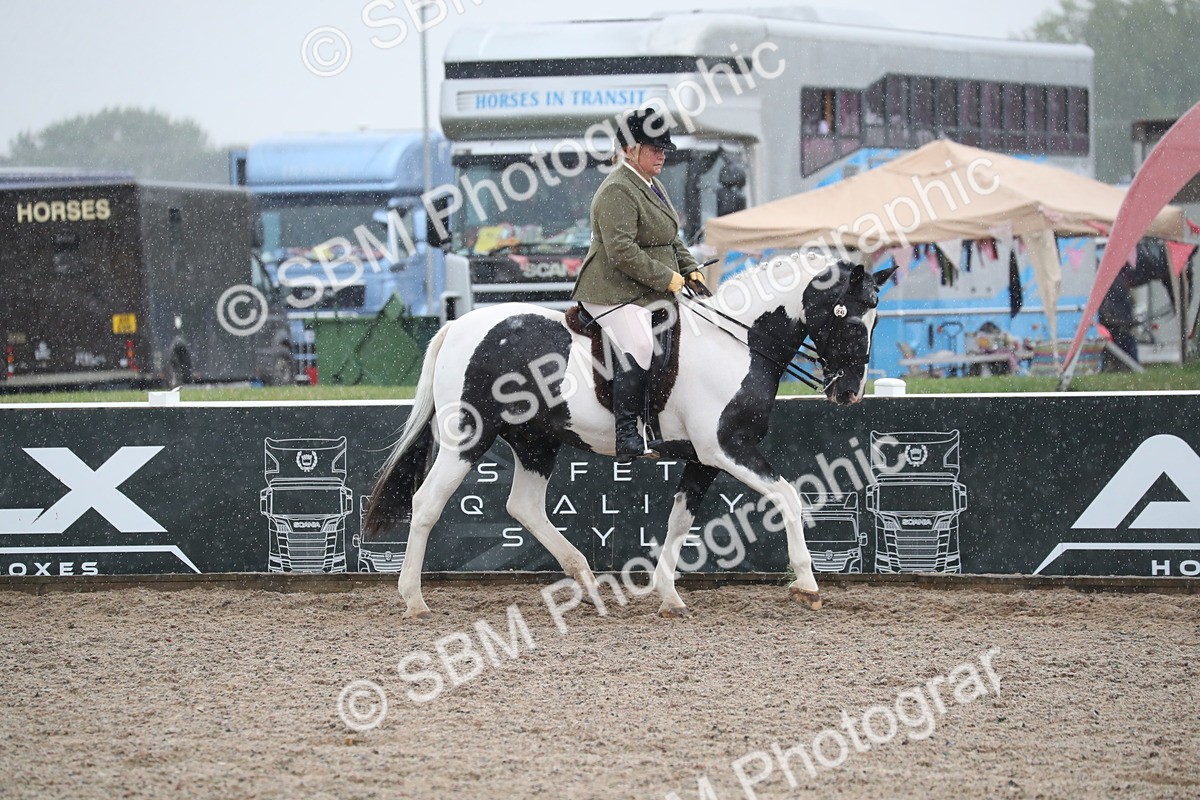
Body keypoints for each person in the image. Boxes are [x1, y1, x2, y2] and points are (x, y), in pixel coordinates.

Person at [572, 108, 704, 462]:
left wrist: (690, 269)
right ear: (630, 149)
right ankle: (627, 434)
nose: (663, 154)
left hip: (642, 289)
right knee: (641, 343)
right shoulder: (617, 189)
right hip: (610, 290)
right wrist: (667, 278)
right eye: (654, 148)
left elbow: (670, 237)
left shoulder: (652, 184)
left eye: (664, 148)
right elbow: (621, 251)